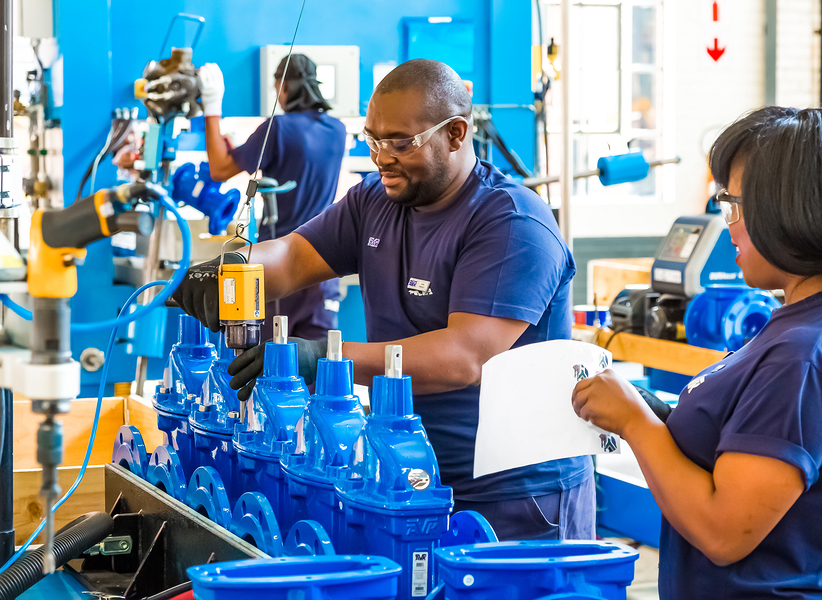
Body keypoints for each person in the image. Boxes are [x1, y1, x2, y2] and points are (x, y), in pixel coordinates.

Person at [172, 58, 595, 541]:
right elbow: (290, 257)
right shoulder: (374, 200)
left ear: (456, 133)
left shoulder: (511, 223)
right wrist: (231, 272)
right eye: (372, 140)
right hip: (408, 475)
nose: (380, 157)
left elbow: (465, 357)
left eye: (400, 143)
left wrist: (323, 359)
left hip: (516, 497)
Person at [572, 107, 822, 598]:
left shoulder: (806, 354)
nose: (729, 227)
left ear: (793, 212)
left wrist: (635, 424)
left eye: (735, 207)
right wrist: (658, 411)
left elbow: (724, 532)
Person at [197, 54, 346, 341]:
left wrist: (211, 106)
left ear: (282, 85)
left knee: (269, 364)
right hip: (324, 266)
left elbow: (219, 169)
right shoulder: (337, 130)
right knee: (319, 364)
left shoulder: (277, 128)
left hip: (282, 263)